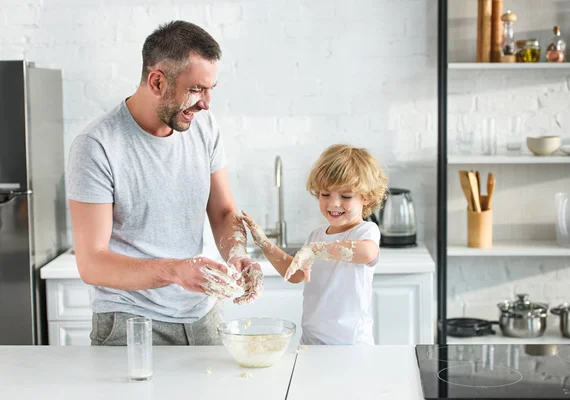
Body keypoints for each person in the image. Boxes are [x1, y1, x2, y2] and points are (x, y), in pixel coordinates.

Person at [67, 20, 263, 346]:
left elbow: (223, 211)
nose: (206, 103)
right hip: (130, 319)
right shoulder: (97, 145)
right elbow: (92, 263)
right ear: (157, 81)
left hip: (202, 315)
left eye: (210, 89)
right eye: (196, 89)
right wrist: (175, 271)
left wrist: (237, 254)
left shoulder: (205, 127)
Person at [241, 144, 388, 345]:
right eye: (325, 194)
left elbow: (367, 253)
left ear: (366, 198)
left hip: (350, 343)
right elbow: (296, 274)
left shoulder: (364, 231)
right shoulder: (317, 235)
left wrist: (318, 249)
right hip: (312, 340)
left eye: (345, 196)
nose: (333, 203)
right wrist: (264, 243)